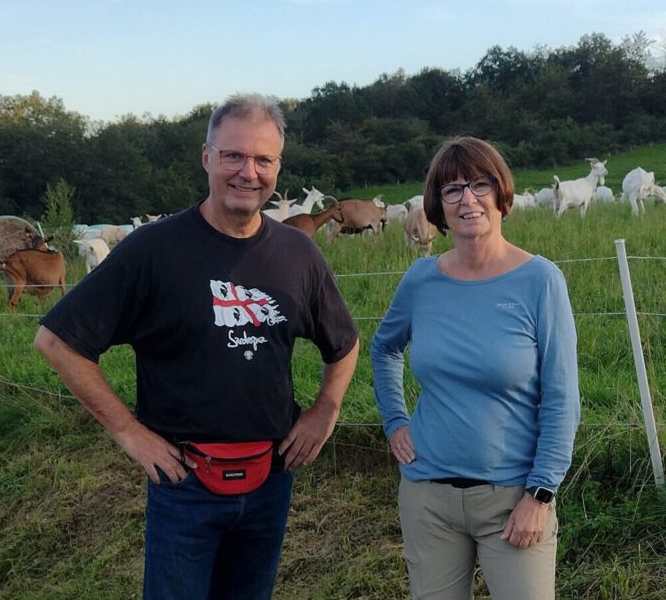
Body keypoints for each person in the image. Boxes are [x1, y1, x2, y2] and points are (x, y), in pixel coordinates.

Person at [33, 93, 359, 600]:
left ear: (278, 168)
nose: (247, 172)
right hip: (184, 483)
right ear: (207, 157)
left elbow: (345, 343)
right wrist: (128, 432)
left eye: (262, 159)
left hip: (271, 480)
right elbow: (56, 341)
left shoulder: (298, 253)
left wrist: (326, 409)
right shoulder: (154, 250)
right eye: (232, 155)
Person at [370, 136, 580, 600]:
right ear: (438, 207)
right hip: (428, 497)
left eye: (480, 184)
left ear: (502, 194)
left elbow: (562, 397)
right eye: (452, 189)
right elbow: (384, 349)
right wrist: (395, 420)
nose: (467, 199)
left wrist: (541, 494)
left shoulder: (540, 281)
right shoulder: (421, 279)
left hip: (513, 499)